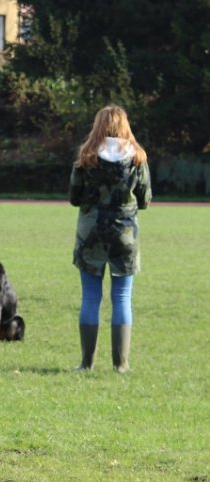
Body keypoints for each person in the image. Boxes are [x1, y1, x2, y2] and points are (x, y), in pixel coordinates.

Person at [69, 105, 151, 372]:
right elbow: (145, 199)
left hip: (90, 231)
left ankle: (86, 363)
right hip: (125, 233)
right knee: (122, 297)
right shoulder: (137, 156)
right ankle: (121, 365)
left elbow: (74, 197)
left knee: (90, 298)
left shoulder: (86, 156)